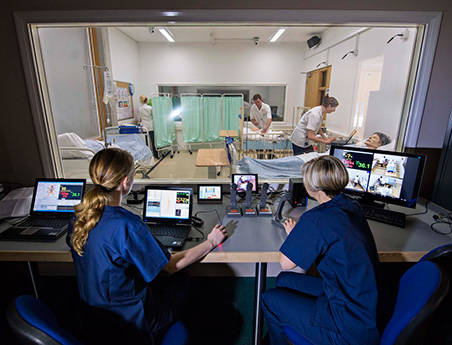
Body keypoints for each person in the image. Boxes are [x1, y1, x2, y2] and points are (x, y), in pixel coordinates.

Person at [67, 148, 227, 344]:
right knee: (182, 281)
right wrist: (211, 241)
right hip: (132, 323)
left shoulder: (79, 217)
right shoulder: (127, 225)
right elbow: (169, 267)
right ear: (125, 182)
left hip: (93, 320)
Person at [262, 155, 382, 345]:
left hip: (348, 328)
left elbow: (286, 263)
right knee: (284, 281)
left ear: (313, 187)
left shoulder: (315, 219)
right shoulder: (353, 206)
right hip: (363, 302)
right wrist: (302, 233)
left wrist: (295, 234)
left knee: (269, 299)